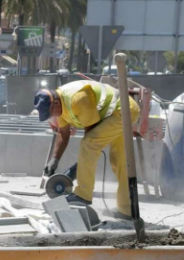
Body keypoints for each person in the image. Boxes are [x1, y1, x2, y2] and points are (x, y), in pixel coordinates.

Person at [33, 79, 140, 218]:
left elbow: (91, 134)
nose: (53, 116)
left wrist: (81, 166)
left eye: (51, 112)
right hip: (116, 113)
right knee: (120, 161)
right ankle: (127, 210)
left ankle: (83, 194)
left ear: (55, 102)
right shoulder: (60, 107)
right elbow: (63, 134)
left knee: (89, 144)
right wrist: (55, 159)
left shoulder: (78, 99)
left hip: (123, 110)